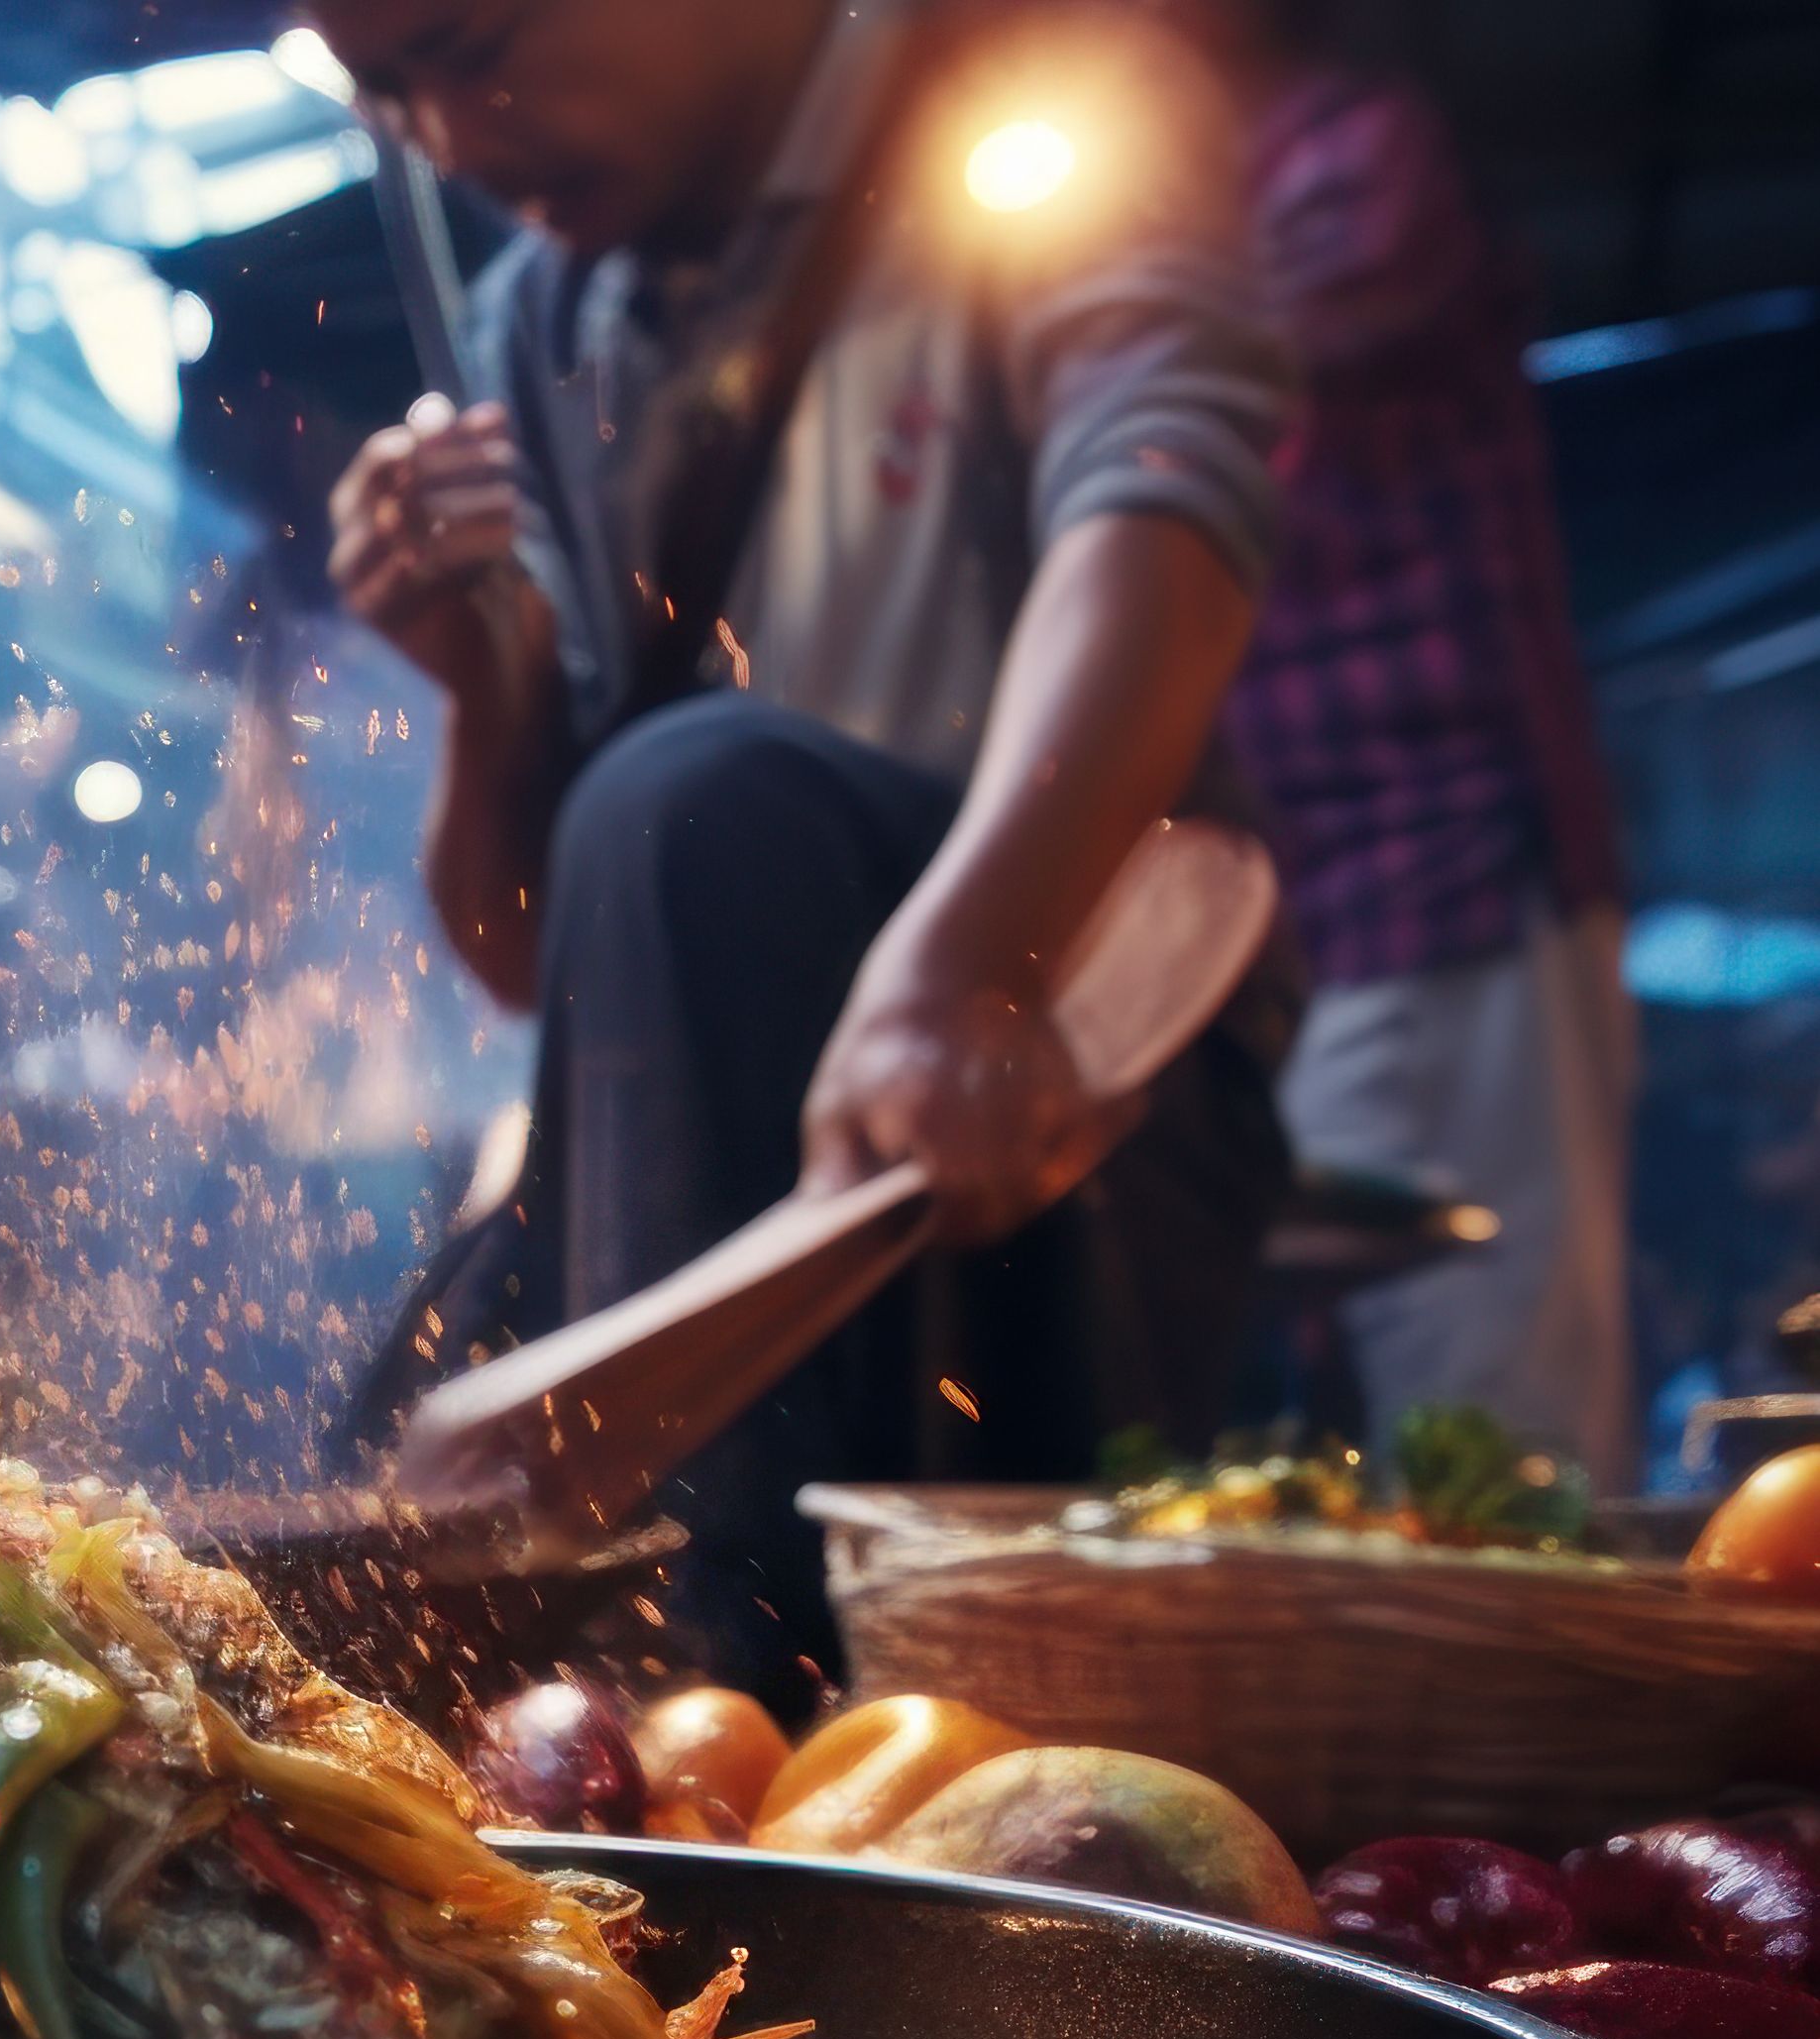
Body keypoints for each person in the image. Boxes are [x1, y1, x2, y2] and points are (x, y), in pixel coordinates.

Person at [316, 0, 1301, 1691]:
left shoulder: (1031, 103)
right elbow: (533, 957)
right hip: (739, 1120)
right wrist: (477, 688)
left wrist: (964, 968)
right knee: (393, 1477)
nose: (453, 136)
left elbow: (1166, 515)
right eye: (385, 89)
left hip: (1062, 1075)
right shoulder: (540, 324)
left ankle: (718, 1709)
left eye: (469, 37)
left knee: (700, 803)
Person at [1209, 20, 1637, 1475]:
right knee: (1328, 1436)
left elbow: (1218, 360)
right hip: (1282, 919)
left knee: (1495, 1442)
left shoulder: (1346, 153)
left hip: (1441, 860)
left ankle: (1538, 1713)